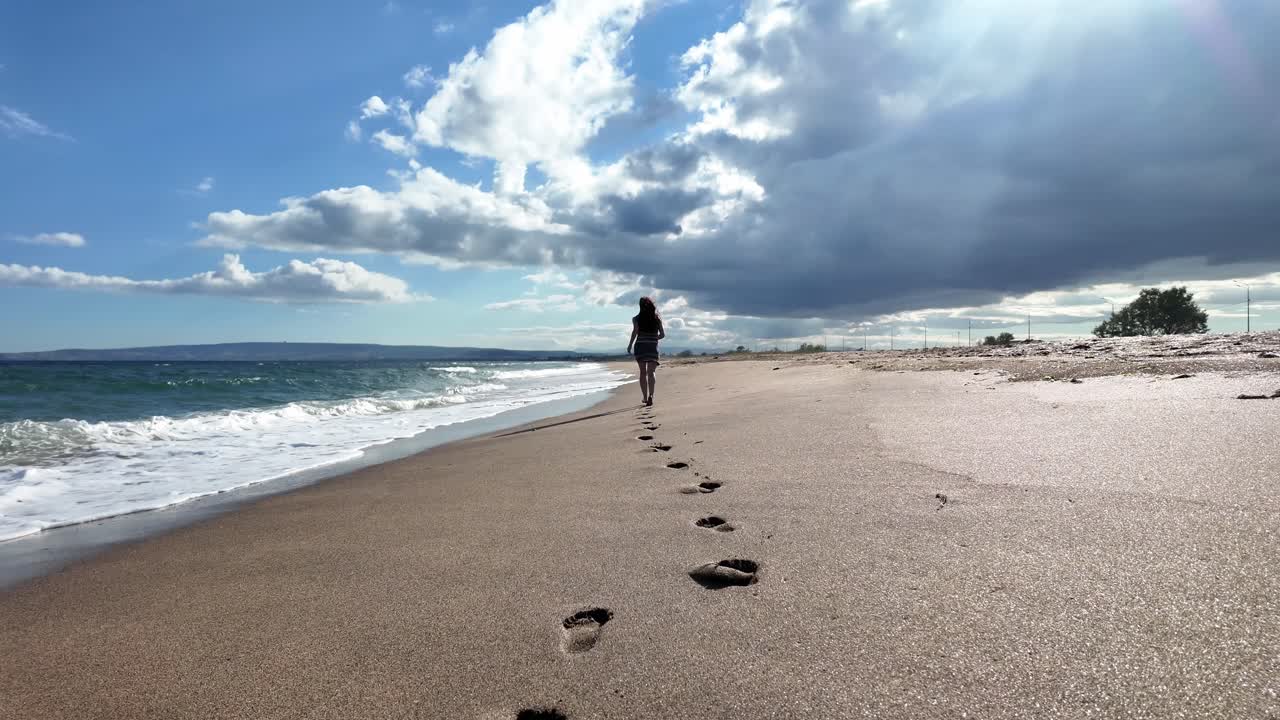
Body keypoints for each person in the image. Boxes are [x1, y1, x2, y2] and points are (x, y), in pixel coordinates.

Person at [627, 297, 665, 406]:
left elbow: (635, 332)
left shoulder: (636, 318)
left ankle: (644, 397)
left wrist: (630, 345)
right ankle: (651, 395)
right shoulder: (657, 318)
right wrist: (653, 338)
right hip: (652, 347)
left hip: (641, 346)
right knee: (651, 372)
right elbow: (662, 334)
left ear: (640, 306)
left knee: (643, 373)